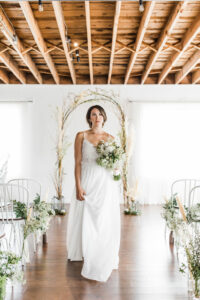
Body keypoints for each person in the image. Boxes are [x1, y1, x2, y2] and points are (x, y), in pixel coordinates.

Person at [66, 105, 121, 282]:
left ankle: (101, 249)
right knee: (84, 215)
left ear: (104, 117)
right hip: (87, 180)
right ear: (89, 118)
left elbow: (116, 164)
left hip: (105, 183)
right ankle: (83, 251)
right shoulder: (81, 135)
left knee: (102, 217)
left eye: (99, 114)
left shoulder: (111, 138)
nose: (97, 117)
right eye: (93, 114)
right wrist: (78, 185)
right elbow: (77, 163)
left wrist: (116, 167)